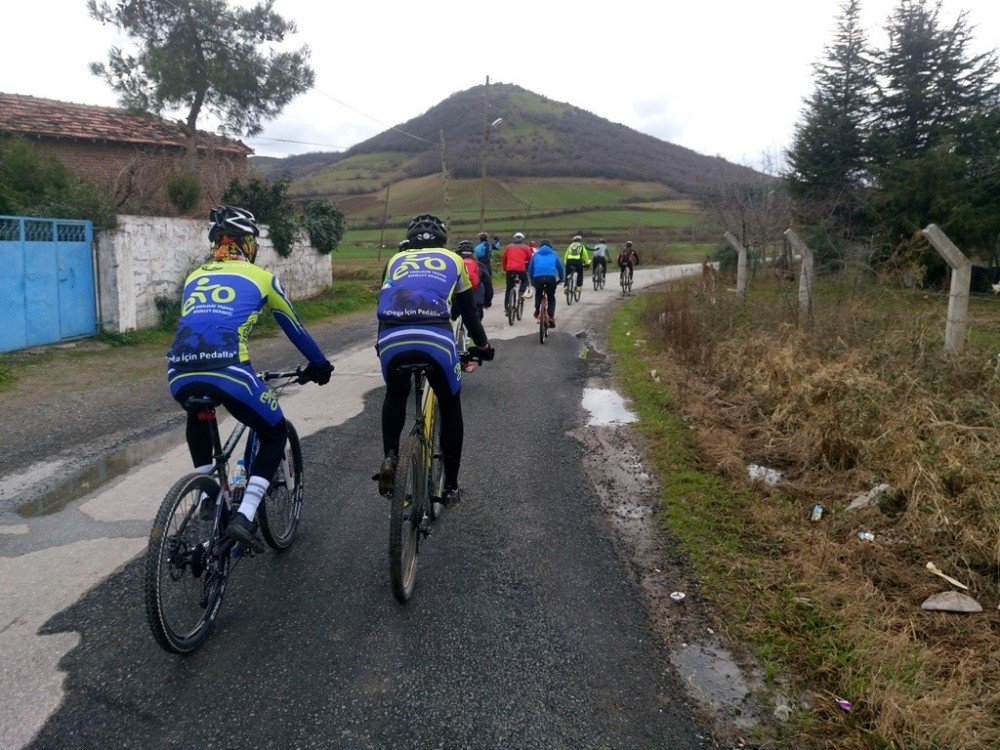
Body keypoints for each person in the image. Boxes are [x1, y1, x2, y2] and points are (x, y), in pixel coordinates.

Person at [166, 205, 333, 548]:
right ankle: (245, 514)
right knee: (273, 432)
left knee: (199, 411)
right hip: (230, 372)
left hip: (179, 374)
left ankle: (206, 493)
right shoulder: (261, 278)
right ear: (247, 243)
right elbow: (295, 328)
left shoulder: (194, 277)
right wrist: (319, 364)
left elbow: (200, 326)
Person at [375, 215, 494, 507]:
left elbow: (386, 302)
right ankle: (451, 486)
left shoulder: (395, 260)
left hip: (391, 338)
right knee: (451, 405)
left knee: (395, 393)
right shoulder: (453, 260)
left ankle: (390, 456)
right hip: (435, 339)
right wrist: (483, 346)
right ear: (442, 239)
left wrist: (381, 346)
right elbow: (468, 313)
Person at [527, 239, 565, 327]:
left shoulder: (536, 255)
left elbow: (530, 269)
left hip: (538, 278)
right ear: (550, 247)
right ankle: (551, 317)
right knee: (551, 297)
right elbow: (560, 268)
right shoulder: (554, 254)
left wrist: (532, 280)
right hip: (550, 278)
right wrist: (561, 279)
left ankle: (537, 311)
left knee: (538, 294)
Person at [501, 231, 533, 310]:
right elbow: (529, 258)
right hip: (520, 269)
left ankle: (506, 307)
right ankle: (521, 294)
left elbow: (504, 259)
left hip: (510, 269)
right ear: (522, 239)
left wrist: (505, 268)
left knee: (509, 288)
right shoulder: (526, 247)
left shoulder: (508, 247)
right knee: (525, 280)